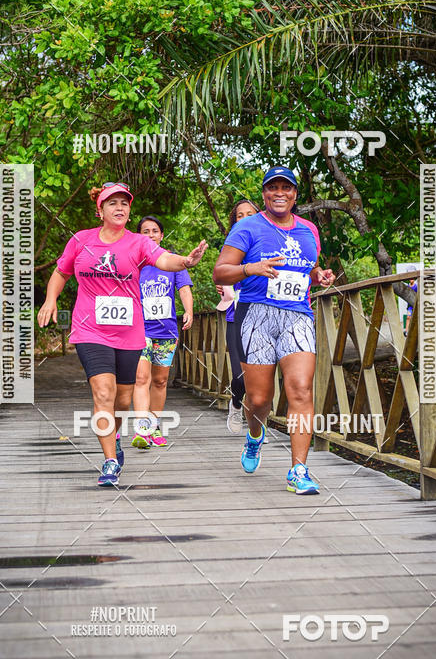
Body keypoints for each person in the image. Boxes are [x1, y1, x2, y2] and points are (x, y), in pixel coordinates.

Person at [37, 183, 207, 487]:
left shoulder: (138, 242)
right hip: (90, 329)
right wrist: (50, 299)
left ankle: (113, 436)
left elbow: (164, 260)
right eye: (112, 203)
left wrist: (186, 261)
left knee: (123, 400)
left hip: (130, 332)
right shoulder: (81, 240)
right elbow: (61, 272)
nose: (119, 208)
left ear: (129, 211)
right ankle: (110, 461)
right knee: (103, 393)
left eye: (124, 204)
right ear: (99, 210)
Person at [213, 166, 335, 494]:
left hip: (297, 316)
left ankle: (298, 469)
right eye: (273, 188)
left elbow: (304, 273)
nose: (280, 193)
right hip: (256, 316)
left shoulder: (308, 229)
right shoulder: (248, 227)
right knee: (259, 398)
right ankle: (255, 435)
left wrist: (317, 277)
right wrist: (248, 268)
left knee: (300, 389)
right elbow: (219, 273)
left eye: (287, 188)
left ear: (296, 194)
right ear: (264, 193)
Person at [131, 215, 194, 448]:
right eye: (145, 231)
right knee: (141, 378)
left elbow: (185, 289)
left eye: (154, 231)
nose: (150, 235)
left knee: (160, 381)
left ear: (162, 235)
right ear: (138, 236)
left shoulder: (172, 261)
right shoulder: (134, 262)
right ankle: (142, 428)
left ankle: (154, 426)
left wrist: (189, 310)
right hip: (139, 329)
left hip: (166, 331)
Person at [216, 199, 259, 434]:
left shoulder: (267, 245)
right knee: (241, 374)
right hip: (236, 316)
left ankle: (256, 426)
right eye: (239, 215)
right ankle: (235, 404)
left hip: (263, 315)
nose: (245, 218)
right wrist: (222, 285)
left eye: (250, 213)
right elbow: (220, 274)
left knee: (260, 377)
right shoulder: (232, 249)